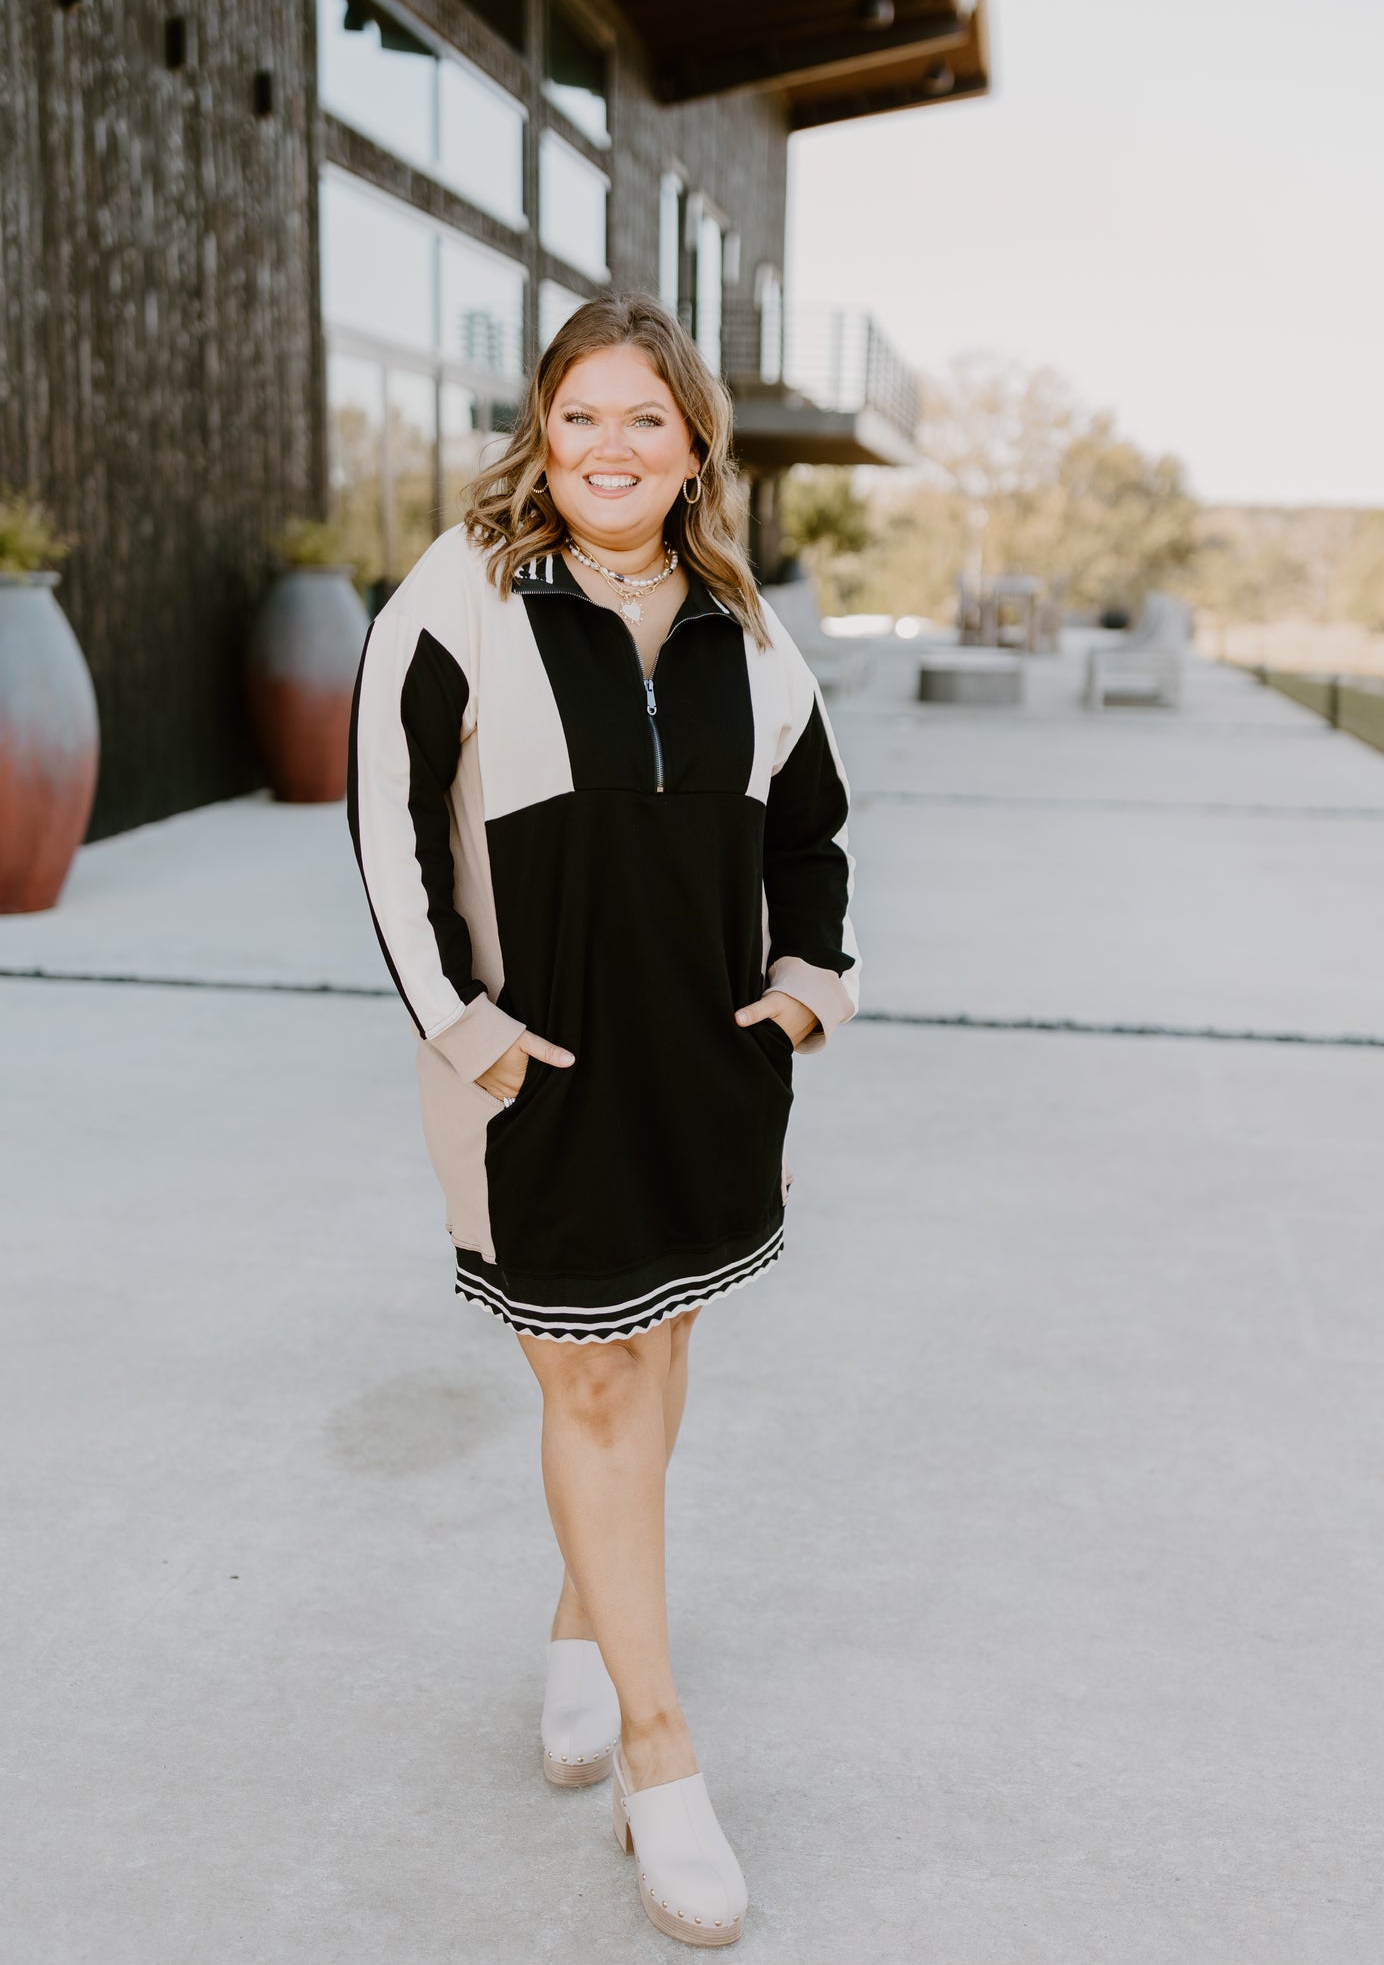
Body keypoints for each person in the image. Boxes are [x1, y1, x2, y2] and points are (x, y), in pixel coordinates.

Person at [346, 294, 859, 1945]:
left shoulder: (741, 618)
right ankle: (660, 1743)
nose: (613, 447)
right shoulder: (463, 589)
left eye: (648, 417)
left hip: (703, 1068)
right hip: (536, 1070)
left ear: (693, 440)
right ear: (541, 430)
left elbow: (813, 829)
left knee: (664, 1339)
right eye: (584, 415)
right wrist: (463, 1031)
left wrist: (804, 992)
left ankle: (585, 1633)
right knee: (591, 1365)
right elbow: (388, 822)